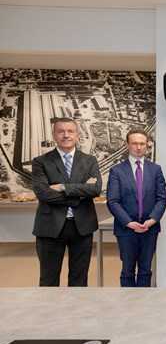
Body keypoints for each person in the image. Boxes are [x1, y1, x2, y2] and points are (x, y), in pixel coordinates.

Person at [31, 117, 102, 286]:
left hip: (82, 226)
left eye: (70, 131)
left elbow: (95, 189)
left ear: (77, 135)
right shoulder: (41, 162)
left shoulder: (89, 160)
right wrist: (80, 193)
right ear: (54, 135)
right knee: (48, 280)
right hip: (50, 227)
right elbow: (44, 194)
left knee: (79, 279)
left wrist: (63, 187)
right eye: (61, 131)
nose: (66, 135)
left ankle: (76, 306)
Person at [107, 129, 166, 287]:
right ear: (127, 145)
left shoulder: (156, 170)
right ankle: (128, 302)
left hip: (149, 229)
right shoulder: (117, 171)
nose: (139, 147)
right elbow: (113, 201)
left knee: (145, 270)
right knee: (127, 271)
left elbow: (161, 199)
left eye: (142, 143)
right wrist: (129, 223)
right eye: (134, 143)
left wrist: (152, 220)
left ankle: (144, 302)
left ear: (147, 145)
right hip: (126, 230)